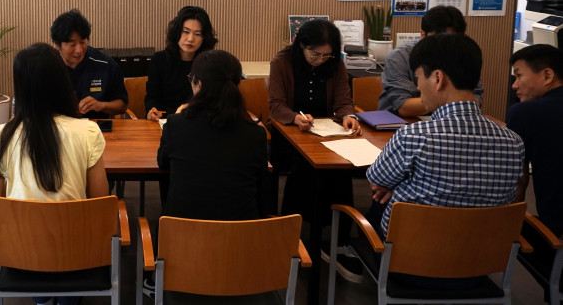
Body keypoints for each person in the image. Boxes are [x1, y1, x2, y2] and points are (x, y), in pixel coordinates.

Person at [366, 33, 523, 288]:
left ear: (438, 78)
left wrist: (396, 186)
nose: (418, 88)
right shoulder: (513, 141)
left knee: (376, 205)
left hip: (409, 265)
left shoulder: (413, 136)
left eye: (419, 78)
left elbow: (376, 180)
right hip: (480, 266)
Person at [268, 19, 362, 282]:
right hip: (290, 132)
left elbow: (344, 101)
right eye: (315, 54)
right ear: (301, 46)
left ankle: (338, 240)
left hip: (326, 132)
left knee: (342, 166)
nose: (320, 60)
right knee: (304, 165)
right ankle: (294, 234)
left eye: (326, 55)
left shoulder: (335, 64)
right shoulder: (282, 62)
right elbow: (275, 105)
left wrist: (348, 116)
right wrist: (295, 118)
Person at [0, 42, 107, 202]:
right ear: (62, 83)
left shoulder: (0, 136)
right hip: (73, 220)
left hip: (20, 219)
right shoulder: (88, 132)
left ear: (20, 88)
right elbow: (100, 201)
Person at [157, 49, 268, 220]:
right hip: (242, 233)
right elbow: (261, 187)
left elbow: (163, 163)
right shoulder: (256, 134)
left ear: (199, 84)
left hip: (182, 233)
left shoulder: (176, 125)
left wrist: (178, 117)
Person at [506, 44, 563, 297]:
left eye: (519, 75)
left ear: (547, 75)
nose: (514, 85)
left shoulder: (525, 112)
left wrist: (509, 226)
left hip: (557, 234)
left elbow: (518, 180)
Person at [378, 5, 482, 116]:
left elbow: (476, 99)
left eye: (453, 40)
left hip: (447, 121)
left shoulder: (464, 55)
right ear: (423, 35)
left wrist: (452, 99)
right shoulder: (399, 57)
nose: (446, 46)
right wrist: (452, 98)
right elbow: (404, 107)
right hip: (399, 122)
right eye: (438, 39)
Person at [50, 9, 127, 119]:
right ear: (56, 45)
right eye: (72, 45)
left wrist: (101, 105)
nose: (79, 50)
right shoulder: (45, 67)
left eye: (83, 42)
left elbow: (122, 105)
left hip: (94, 126)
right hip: (58, 127)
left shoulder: (105, 64)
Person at [145, 5, 217, 121]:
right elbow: (152, 97)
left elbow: (215, 102)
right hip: (165, 121)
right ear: (176, 32)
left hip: (198, 121)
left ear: (204, 37)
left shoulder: (210, 63)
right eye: (185, 32)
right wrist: (152, 111)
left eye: (197, 34)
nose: (190, 39)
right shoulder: (159, 59)